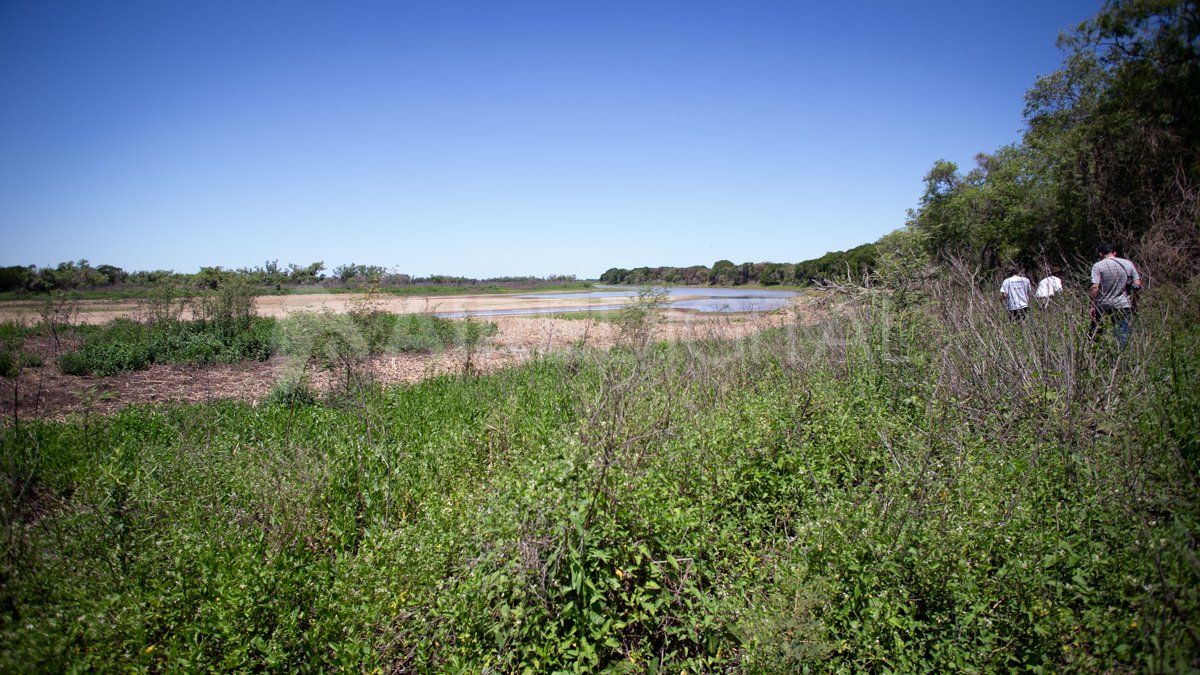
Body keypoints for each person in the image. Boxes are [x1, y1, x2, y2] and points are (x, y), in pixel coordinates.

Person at [1089, 243, 1141, 347]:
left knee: (1097, 334)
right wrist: (1135, 302)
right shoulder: (1128, 264)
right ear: (1114, 253)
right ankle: (1120, 358)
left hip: (1102, 305)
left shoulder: (1098, 266)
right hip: (1123, 304)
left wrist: (1092, 305)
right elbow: (1137, 284)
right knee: (1122, 335)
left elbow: (1094, 287)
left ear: (1100, 254)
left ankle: (1096, 356)